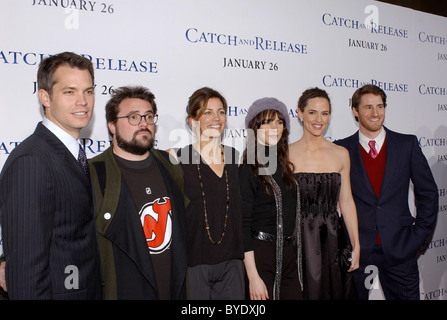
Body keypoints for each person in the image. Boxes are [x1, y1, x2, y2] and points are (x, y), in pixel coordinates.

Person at [0, 52, 102, 299]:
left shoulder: (73, 153)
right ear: (45, 97)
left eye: (88, 91)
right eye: (70, 92)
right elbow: (26, 272)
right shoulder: (32, 161)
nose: (83, 102)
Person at [335, 84, 438, 300]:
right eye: (368, 107)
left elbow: (428, 194)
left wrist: (418, 238)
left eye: (380, 107)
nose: (375, 113)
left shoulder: (406, 144)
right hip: (358, 252)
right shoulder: (341, 149)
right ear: (355, 110)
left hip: (401, 250)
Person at [88, 86, 188, 299]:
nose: (144, 123)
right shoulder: (94, 174)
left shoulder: (171, 165)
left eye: (148, 116)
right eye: (133, 117)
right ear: (112, 126)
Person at [173, 87, 245, 300]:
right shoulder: (177, 158)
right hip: (194, 264)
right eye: (207, 112)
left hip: (232, 263)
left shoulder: (234, 156)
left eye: (221, 112)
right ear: (192, 120)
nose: (216, 118)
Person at [289, 87, 360, 300]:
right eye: (312, 112)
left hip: (331, 238)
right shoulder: (284, 153)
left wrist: (356, 246)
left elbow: (346, 201)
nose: (319, 119)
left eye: (325, 113)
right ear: (300, 113)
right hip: (297, 239)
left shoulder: (341, 154)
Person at [239, 97, 303, 300]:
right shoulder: (248, 168)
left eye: (279, 121)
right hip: (261, 257)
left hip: (289, 258)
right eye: (267, 121)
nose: (274, 127)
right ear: (254, 128)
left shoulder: (285, 166)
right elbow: (243, 225)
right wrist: (253, 277)